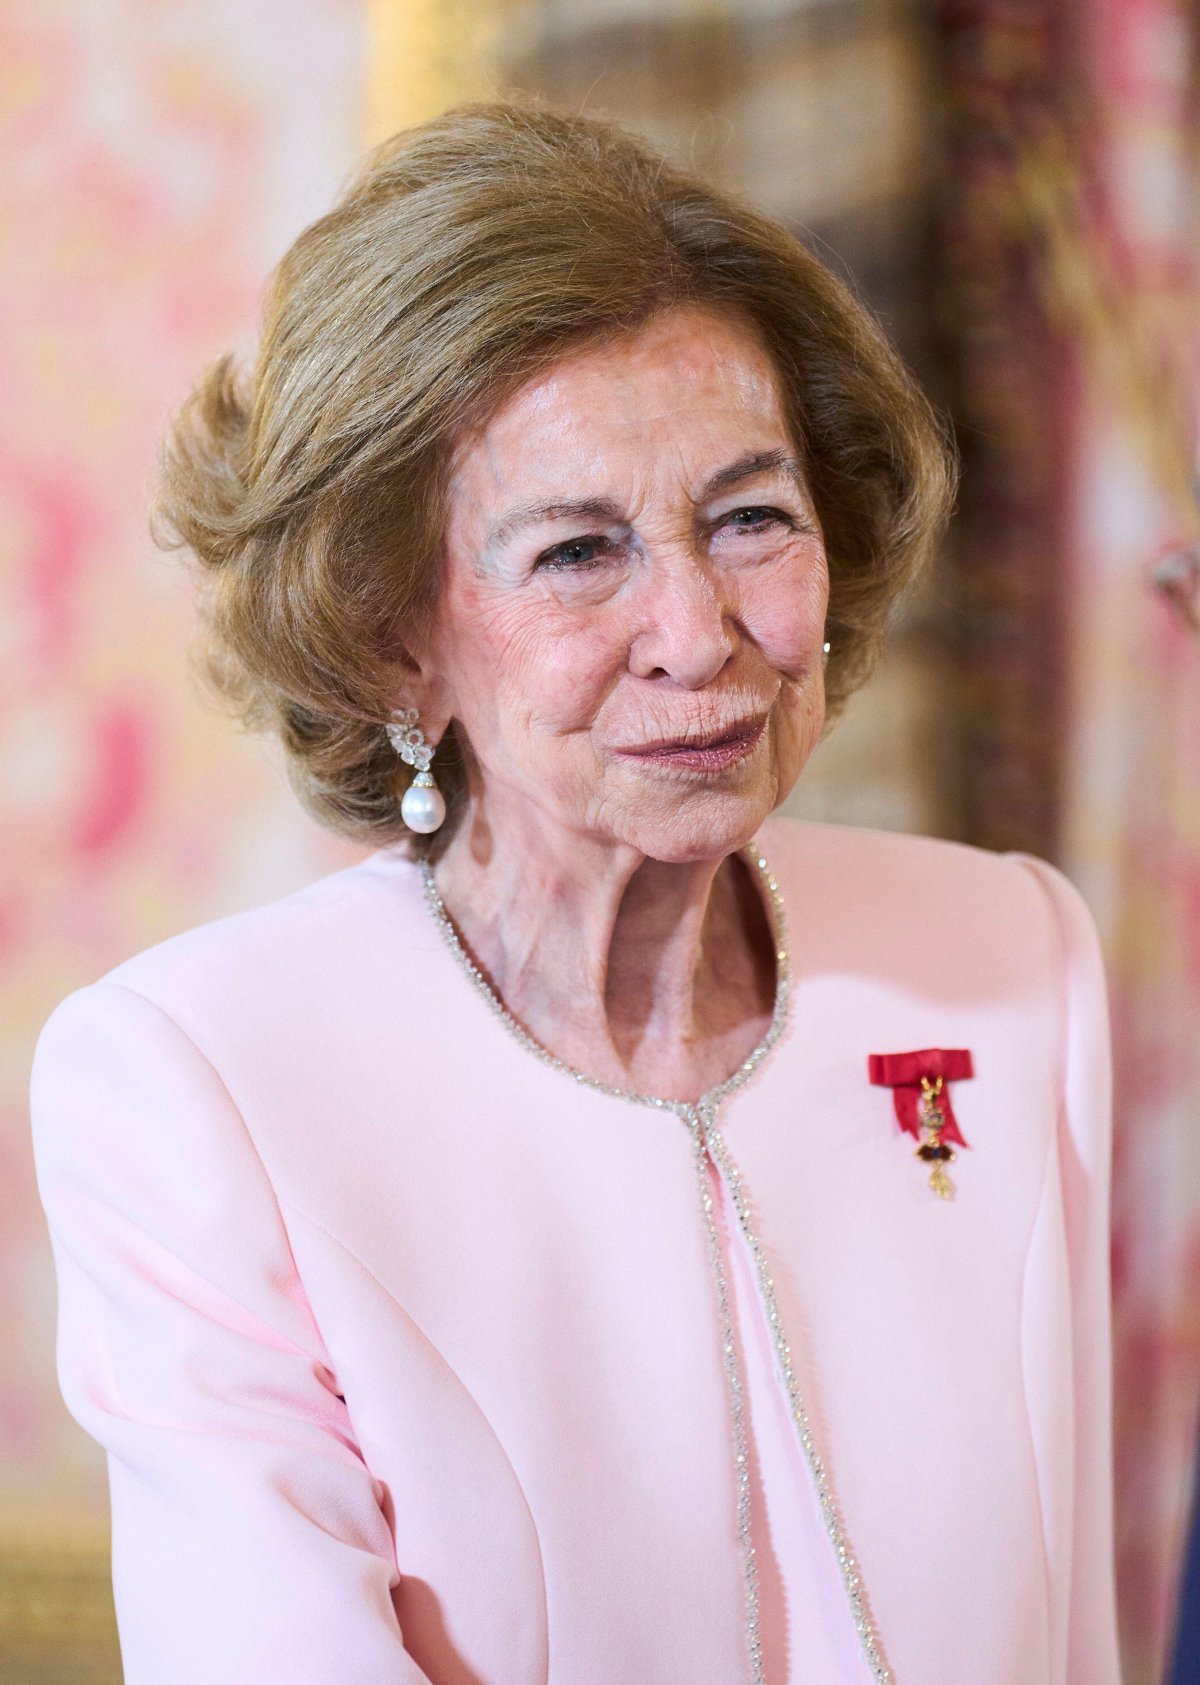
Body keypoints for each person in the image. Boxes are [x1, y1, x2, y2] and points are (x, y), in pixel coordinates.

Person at [29, 99, 1123, 1685]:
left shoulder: (1011, 963)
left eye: (752, 519)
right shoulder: (203, 1078)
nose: (698, 630)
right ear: (393, 633)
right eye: (574, 554)